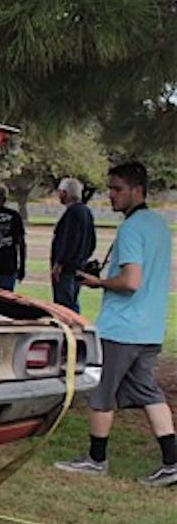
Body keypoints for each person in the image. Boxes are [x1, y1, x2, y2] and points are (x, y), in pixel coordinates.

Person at [55, 161, 176, 487]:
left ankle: (96, 459)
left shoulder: (132, 228)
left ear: (138, 190)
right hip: (150, 328)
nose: (111, 195)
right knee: (148, 392)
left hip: (122, 329)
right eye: (110, 188)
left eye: (118, 189)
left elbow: (131, 281)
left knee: (101, 391)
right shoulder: (159, 225)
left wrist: (98, 284)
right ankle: (172, 462)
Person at [50, 177, 96, 313]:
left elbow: (69, 240)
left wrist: (59, 264)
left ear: (65, 193)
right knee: (72, 301)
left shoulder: (72, 212)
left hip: (67, 269)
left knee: (65, 306)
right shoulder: (86, 212)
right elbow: (92, 242)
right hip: (78, 266)